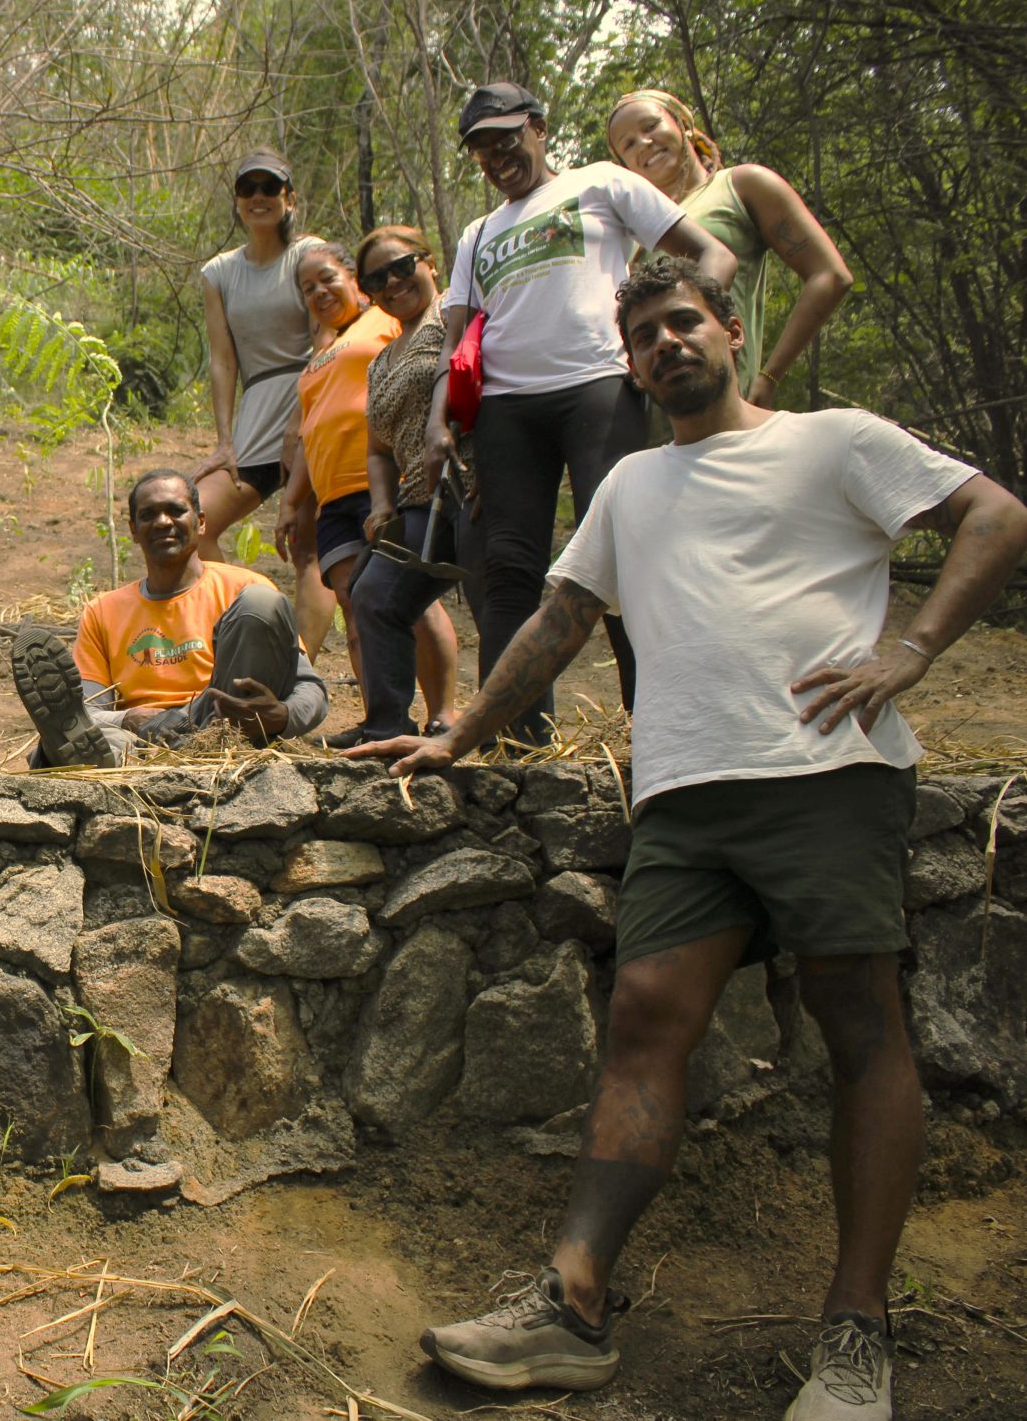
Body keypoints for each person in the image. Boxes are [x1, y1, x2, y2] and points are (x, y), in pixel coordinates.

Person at [356, 259, 1027, 1421]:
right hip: (679, 793)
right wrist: (458, 735)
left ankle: (856, 1333)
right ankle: (571, 1306)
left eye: (685, 323)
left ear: (730, 328)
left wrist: (911, 650)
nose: (667, 343)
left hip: (827, 773)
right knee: (645, 1024)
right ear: (629, 365)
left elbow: (997, 513)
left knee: (861, 1021)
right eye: (645, 335)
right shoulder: (627, 488)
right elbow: (561, 619)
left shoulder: (834, 442)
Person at [423, 81, 738, 743]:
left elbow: (712, 253)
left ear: (537, 127)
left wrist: (668, 340)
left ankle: (658, 730)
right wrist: (436, 420)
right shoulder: (479, 234)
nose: (495, 154)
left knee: (625, 553)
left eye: (505, 137)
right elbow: (452, 342)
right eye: (481, 147)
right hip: (507, 407)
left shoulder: (600, 183)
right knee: (507, 568)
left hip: (598, 385)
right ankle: (516, 741)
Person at [12, 470, 328, 767]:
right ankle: (110, 757)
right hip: (142, 739)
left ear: (201, 522)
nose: (163, 522)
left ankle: (100, 756)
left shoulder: (244, 588)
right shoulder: (103, 610)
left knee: (262, 603)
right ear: (134, 530)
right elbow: (87, 711)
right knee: (93, 737)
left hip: (222, 725)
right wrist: (126, 719)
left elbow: (311, 691)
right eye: (148, 515)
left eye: (175, 511)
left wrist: (281, 716)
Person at [276, 240, 457, 742]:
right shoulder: (321, 353)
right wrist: (293, 502)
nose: (319, 291)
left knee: (413, 600)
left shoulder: (385, 317)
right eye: (307, 288)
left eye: (328, 278)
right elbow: (313, 429)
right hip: (333, 496)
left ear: (355, 279)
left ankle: (444, 711)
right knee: (358, 608)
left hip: (389, 481)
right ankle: (382, 718)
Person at [606, 88, 850, 410]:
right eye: (629, 144)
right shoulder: (630, 235)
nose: (644, 143)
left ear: (681, 124)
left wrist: (768, 378)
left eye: (650, 127)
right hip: (649, 424)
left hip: (730, 404)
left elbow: (830, 275)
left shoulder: (740, 186)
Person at [192, 149, 341, 658]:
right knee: (196, 523)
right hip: (257, 404)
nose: (258, 197)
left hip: (314, 398)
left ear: (288, 198)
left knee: (308, 548)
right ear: (236, 202)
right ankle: (263, 614)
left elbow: (326, 334)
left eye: (269, 188)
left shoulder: (308, 253)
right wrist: (224, 440)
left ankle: (298, 668)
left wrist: (300, 420)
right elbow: (222, 360)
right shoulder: (219, 273)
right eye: (247, 189)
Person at [343, 225, 478, 744]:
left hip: (468, 484)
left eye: (403, 266)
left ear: (431, 263)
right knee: (372, 592)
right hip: (417, 500)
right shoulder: (381, 361)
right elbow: (378, 447)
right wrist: (380, 506)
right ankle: (386, 725)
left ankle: (521, 729)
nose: (393, 283)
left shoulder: (454, 318)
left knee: (496, 602)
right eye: (378, 278)